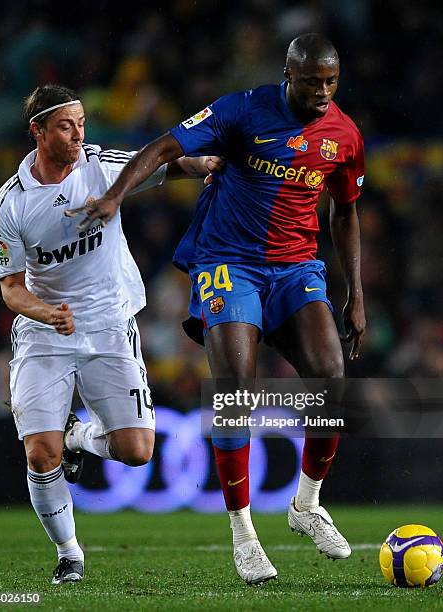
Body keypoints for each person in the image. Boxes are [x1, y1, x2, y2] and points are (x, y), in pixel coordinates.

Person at [69, 33, 366, 585]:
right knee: (237, 391)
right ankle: (243, 532)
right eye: (312, 82)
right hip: (228, 260)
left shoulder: (344, 136)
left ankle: (306, 505)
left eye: (331, 82)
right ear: (288, 74)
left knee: (331, 381)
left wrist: (356, 294)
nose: (323, 92)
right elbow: (164, 147)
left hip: (297, 267)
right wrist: (115, 194)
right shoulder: (242, 109)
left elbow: (345, 212)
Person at [0, 84, 222, 585]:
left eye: (81, 123)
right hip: (45, 334)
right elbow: (10, 289)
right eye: (66, 126)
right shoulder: (11, 202)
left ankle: (79, 435)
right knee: (39, 452)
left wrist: (207, 165)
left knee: (138, 451)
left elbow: (165, 165)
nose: (78, 134)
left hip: (111, 326)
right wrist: (46, 311)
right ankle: (69, 553)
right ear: (39, 131)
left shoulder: (99, 166)